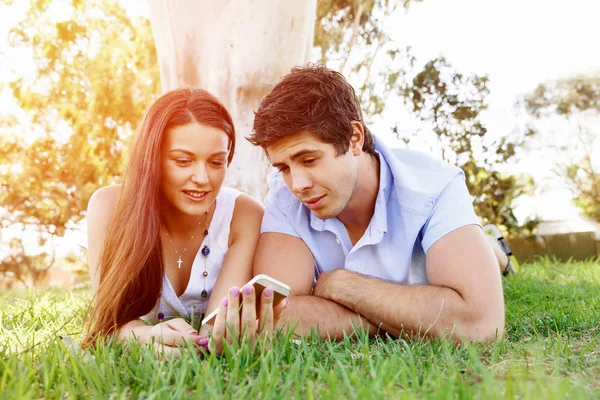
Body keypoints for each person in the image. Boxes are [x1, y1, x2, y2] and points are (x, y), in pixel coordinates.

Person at [248, 65, 507, 343]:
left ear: (354, 139)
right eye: (284, 168)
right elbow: (274, 316)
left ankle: (495, 247)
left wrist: (340, 285)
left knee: (494, 259)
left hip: (452, 231)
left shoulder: (436, 186)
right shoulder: (284, 197)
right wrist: (401, 319)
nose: (297, 184)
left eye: (309, 160)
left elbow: (481, 323)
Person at [85, 87, 285, 357]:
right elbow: (106, 323)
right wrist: (142, 336)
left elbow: (216, 328)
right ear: (152, 158)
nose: (202, 178)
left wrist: (215, 340)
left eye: (216, 162)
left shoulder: (244, 214)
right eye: (183, 161)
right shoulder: (109, 207)